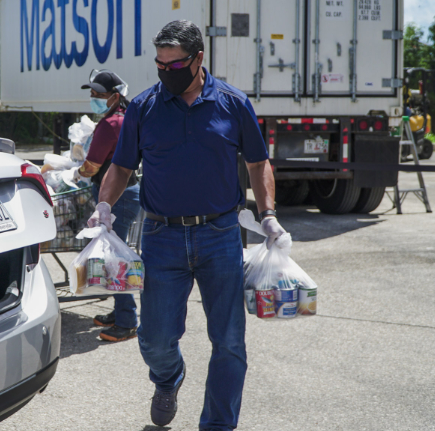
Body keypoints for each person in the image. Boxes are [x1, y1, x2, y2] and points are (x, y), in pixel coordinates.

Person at [87, 20, 287, 430]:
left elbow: (257, 161)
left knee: (229, 342)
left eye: (174, 65)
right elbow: (122, 166)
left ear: (199, 59)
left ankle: (217, 424)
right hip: (162, 237)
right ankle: (168, 378)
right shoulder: (143, 107)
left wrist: (267, 213)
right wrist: (104, 206)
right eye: (160, 64)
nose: (166, 72)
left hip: (220, 235)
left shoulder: (233, 103)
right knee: (155, 340)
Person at [72, 69, 141, 342]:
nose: (93, 99)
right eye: (91, 94)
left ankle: (127, 321)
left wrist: (75, 173)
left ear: (114, 97)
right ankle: (120, 311)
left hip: (116, 198)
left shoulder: (110, 124)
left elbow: (91, 167)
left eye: (98, 95)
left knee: (115, 259)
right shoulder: (123, 119)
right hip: (126, 194)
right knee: (114, 254)